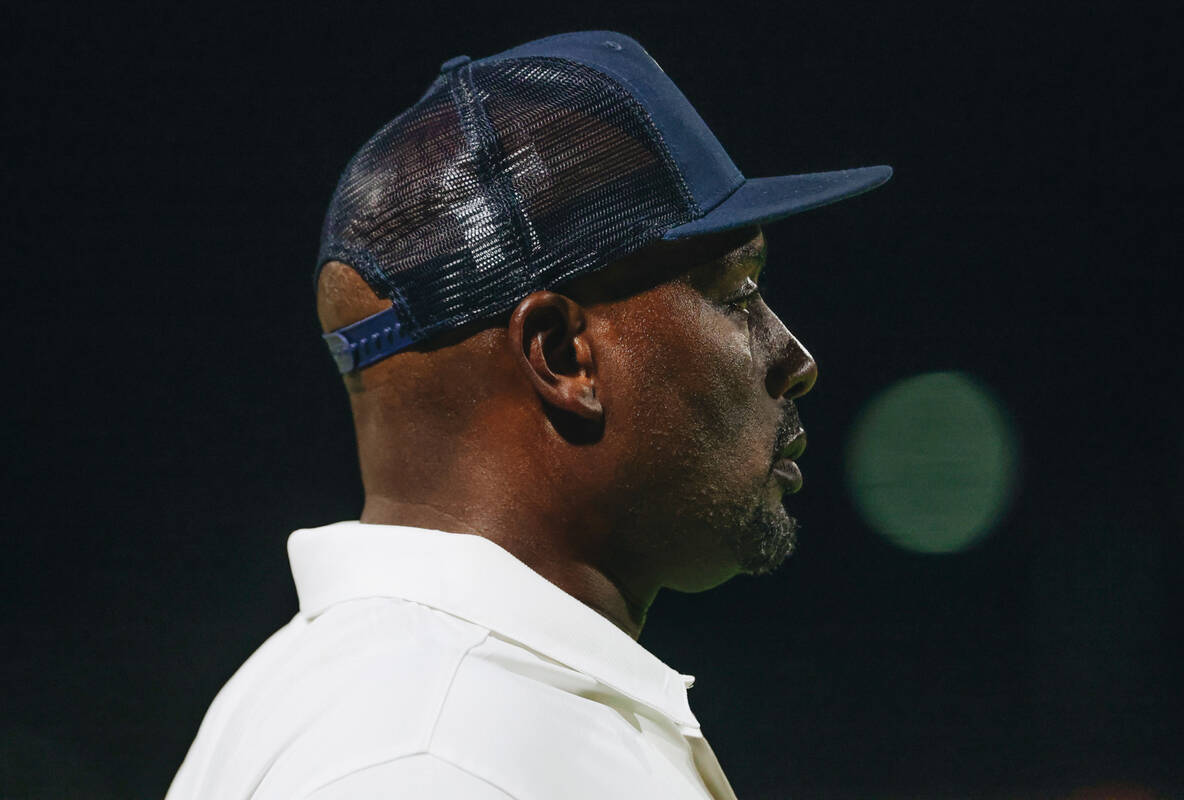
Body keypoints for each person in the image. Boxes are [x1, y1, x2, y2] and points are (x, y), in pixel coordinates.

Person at [166, 30, 890, 800]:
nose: (796, 359)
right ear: (562, 356)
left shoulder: (383, 701)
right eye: (738, 295)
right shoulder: (432, 753)